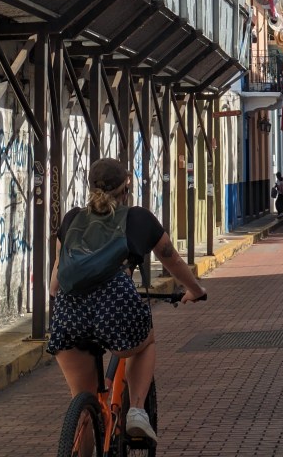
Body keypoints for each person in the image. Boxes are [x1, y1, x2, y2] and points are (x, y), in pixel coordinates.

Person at [48, 158, 206, 448]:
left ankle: (85, 418)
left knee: (82, 409)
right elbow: (171, 258)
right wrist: (194, 289)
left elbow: (55, 284)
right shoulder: (137, 218)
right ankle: (136, 410)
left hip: (69, 314)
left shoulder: (71, 219)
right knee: (145, 341)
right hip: (115, 307)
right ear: (126, 189)